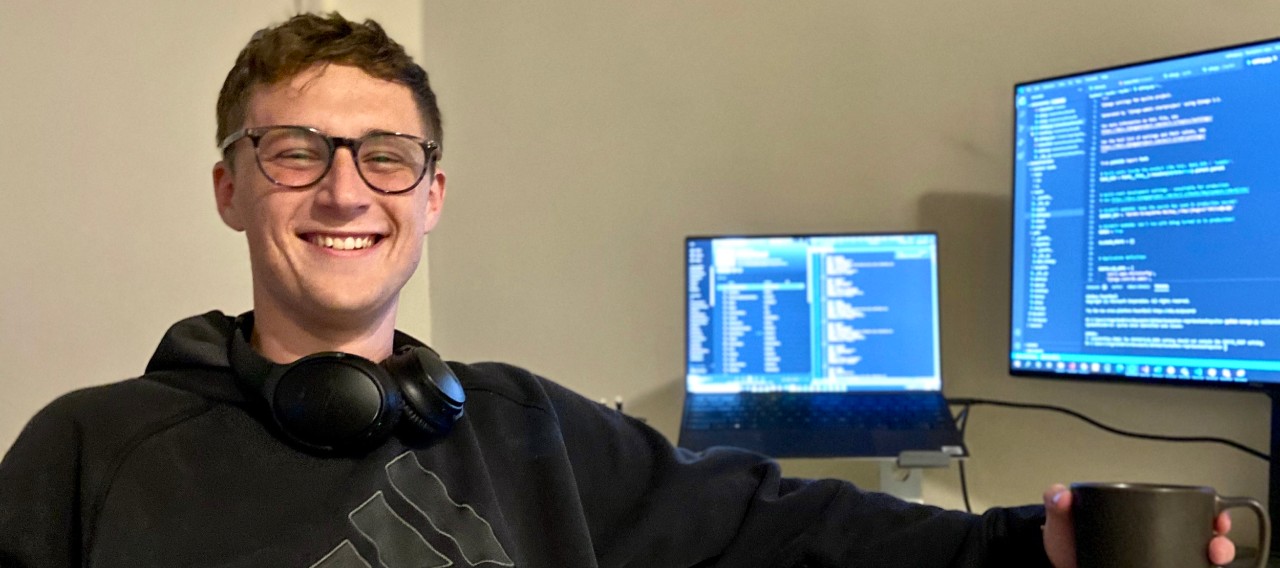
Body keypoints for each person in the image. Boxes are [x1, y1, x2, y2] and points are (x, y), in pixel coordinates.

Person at [0, 12, 1237, 568]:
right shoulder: (91, 448)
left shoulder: (527, 426)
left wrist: (1032, 547)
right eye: (294, 151)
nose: (343, 192)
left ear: (429, 196)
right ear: (231, 187)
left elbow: (790, 526)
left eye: (385, 156)